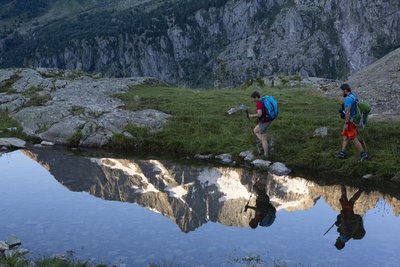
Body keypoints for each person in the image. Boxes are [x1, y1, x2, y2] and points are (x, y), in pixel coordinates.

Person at [337, 84, 369, 161]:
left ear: (345, 90)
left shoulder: (348, 99)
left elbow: (348, 112)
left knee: (353, 138)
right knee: (345, 136)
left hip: (350, 121)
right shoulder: (353, 96)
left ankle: (363, 155)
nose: (342, 93)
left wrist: (346, 123)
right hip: (353, 119)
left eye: (342, 91)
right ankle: (342, 153)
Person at [334, 184, 365, 250]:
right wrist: (341, 217)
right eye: (336, 241)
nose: (336, 239)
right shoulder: (344, 235)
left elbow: (345, 225)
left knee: (351, 201)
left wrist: (338, 223)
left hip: (351, 216)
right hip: (347, 214)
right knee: (344, 197)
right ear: (339, 242)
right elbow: (344, 223)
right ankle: (342, 183)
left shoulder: (347, 237)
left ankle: (361, 190)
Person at [249, 91, 271, 157]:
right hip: (267, 119)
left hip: (265, 121)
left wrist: (252, 116)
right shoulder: (263, 100)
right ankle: (265, 142)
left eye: (252, 98)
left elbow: (259, 114)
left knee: (264, 138)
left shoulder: (259, 103)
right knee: (255, 130)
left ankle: (266, 155)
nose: (252, 100)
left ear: (256, 97)